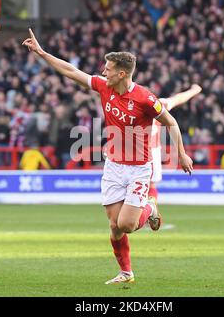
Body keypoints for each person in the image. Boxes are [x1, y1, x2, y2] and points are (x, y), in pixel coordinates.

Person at [22, 28, 193, 284]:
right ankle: (126, 273)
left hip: (138, 168)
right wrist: (42, 52)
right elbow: (71, 71)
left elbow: (172, 122)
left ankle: (151, 207)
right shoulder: (104, 87)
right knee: (114, 226)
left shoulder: (145, 98)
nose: (103, 71)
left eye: (108, 68)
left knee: (126, 225)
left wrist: (181, 153)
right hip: (113, 165)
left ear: (122, 73)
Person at [148, 84, 202, 200]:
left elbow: (178, 99)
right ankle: (151, 213)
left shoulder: (129, 106)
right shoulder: (158, 104)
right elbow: (177, 99)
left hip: (139, 152)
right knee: (150, 186)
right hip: (151, 152)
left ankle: (148, 213)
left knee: (140, 187)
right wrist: (194, 90)